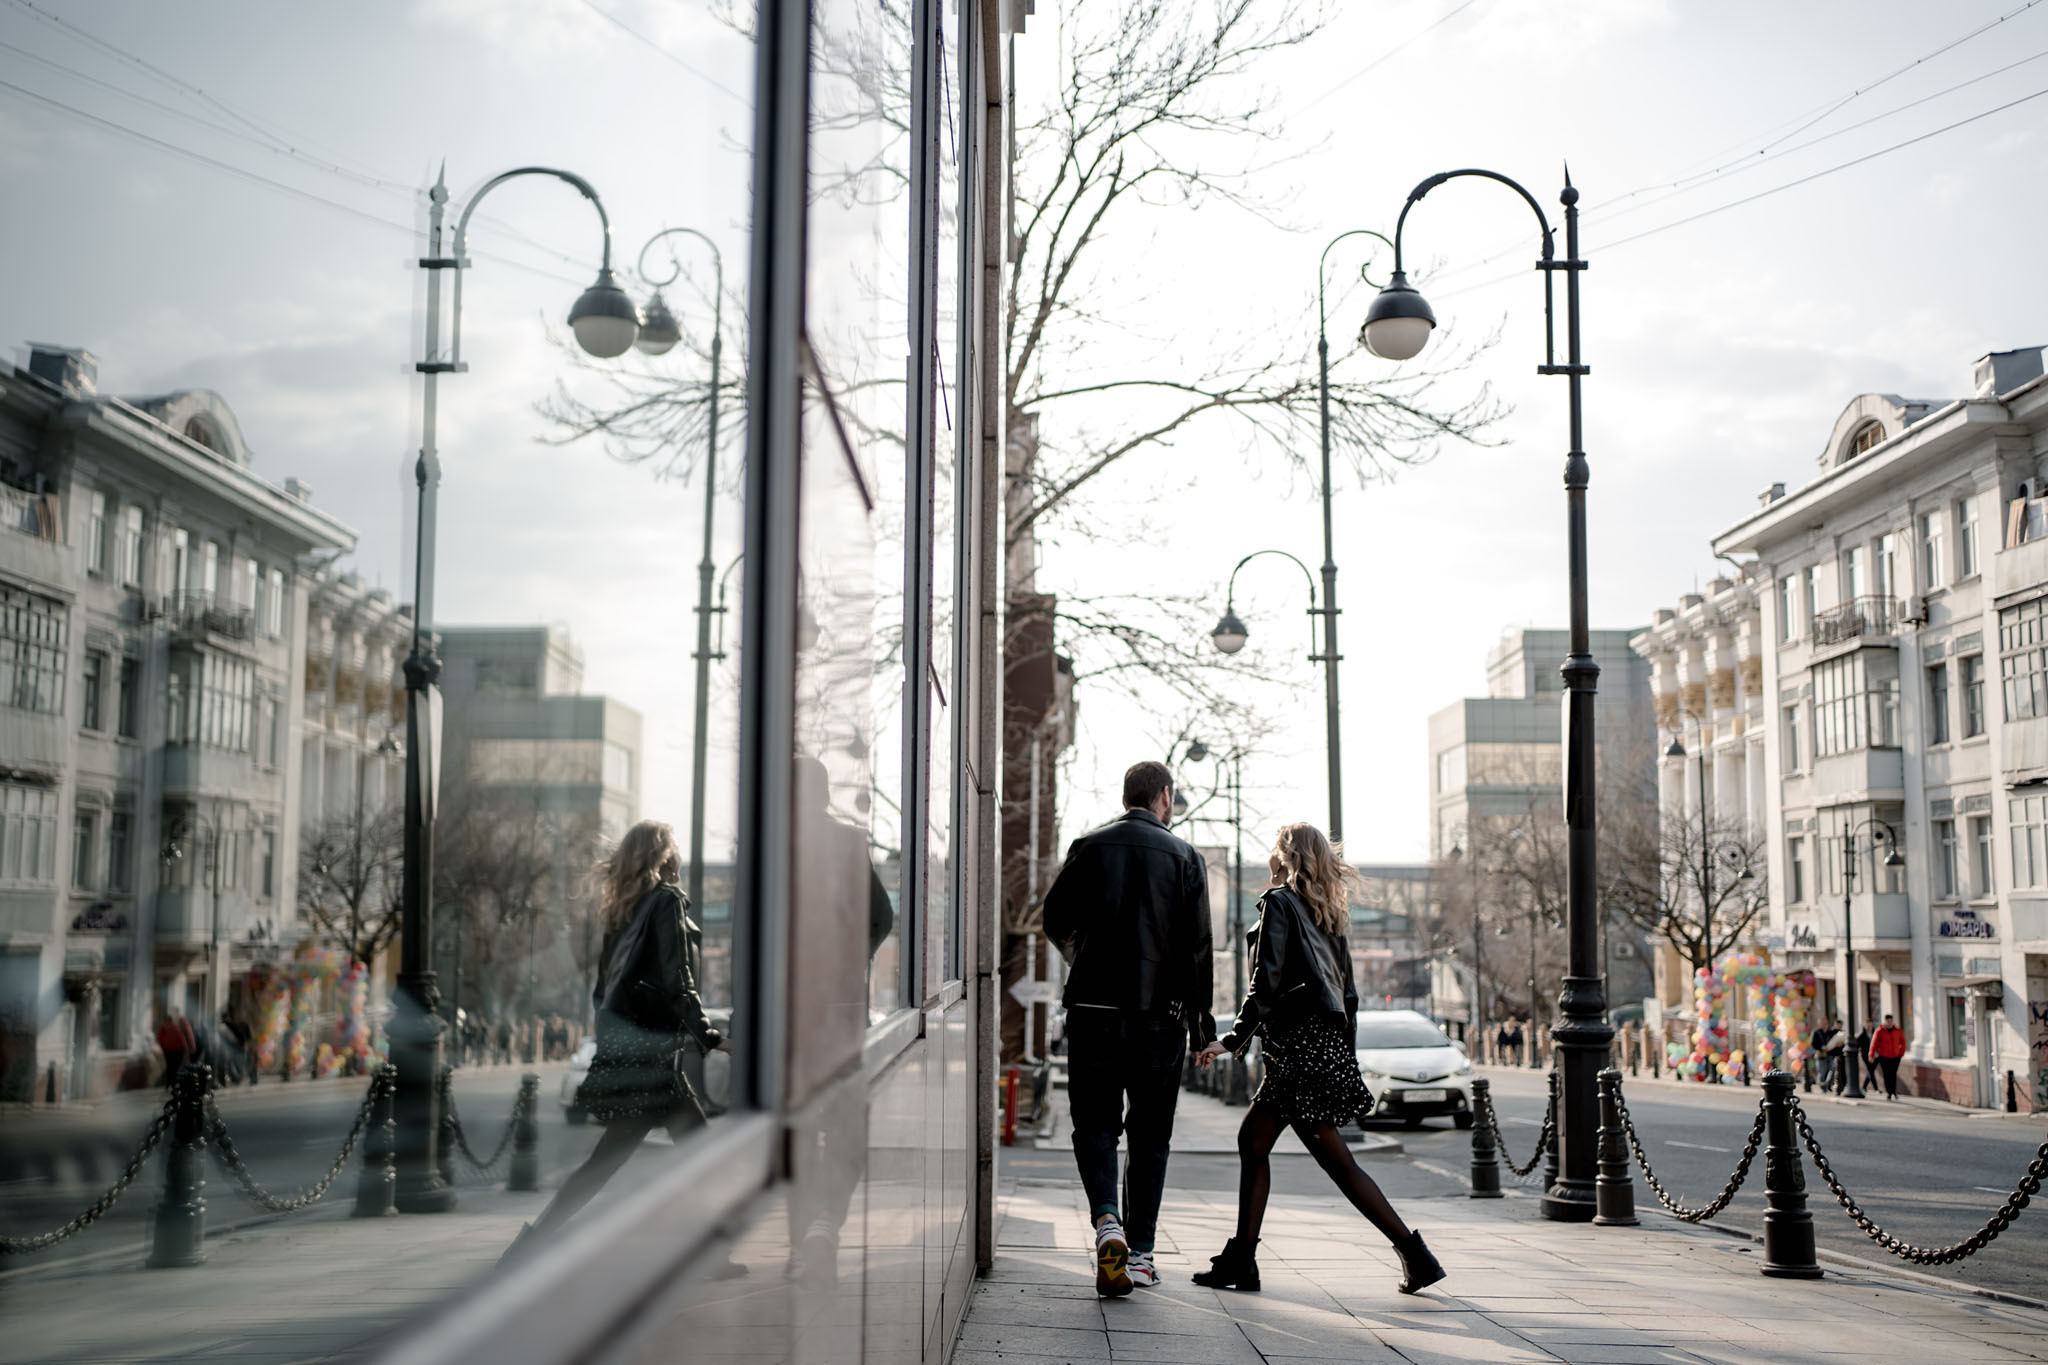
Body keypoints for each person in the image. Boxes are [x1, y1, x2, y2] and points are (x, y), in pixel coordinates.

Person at [1193, 823, 1445, 1298]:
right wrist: (1340, 1055)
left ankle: (1415, 1253)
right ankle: (1242, 1259)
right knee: (1257, 1141)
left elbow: (1264, 982)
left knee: (1333, 1161)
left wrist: (1232, 1039)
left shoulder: (1281, 903)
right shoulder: (1327, 912)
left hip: (1297, 1048)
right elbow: (1348, 994)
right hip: (1319, 1045)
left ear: (1285, 854)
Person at [507, 820, 726, 1257]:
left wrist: (613, 1039)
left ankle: (530, 1246)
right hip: (654, 1058)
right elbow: (678, 974)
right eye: (674, 848)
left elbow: (603, 988)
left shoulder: (623, 910)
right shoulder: (666, 902)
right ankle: (704, 1252)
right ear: (663, 854)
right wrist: (708, 1035)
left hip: (634, 1051)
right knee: (696, 1154)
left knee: (612, 1162)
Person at [1042, 760, 1214, 1298]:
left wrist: (1084, 959)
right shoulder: (1186, 857)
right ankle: (1139, 1254)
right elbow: (1198, 949)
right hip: (1159, 1018)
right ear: (1165, 796)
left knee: (1094, 1123)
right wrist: (1202, 1025)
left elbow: (1054, 918)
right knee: (1150, 1135)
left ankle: (1107, 1221)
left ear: (1127, 797)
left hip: (1093, 1010)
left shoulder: (1089, 846)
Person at [155, 1007, 197, 1085]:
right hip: (170, 1050)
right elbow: (160, 1038)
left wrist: (188, 1047)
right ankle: (171, 1082)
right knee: (172, 1066)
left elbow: (184, 1036)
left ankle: (172, 1082)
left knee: (174, 1066)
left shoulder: (180, 1023)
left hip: (176, 1050)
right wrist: (163, 1046)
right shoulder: (169, 1027)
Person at [1869, 1013, 1907, 1099]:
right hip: (1884, 1057)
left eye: (1891, 1021)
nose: (1889, 1023)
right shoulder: (1879, 1031)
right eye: (1888, 1021)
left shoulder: (1897, 1031)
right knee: (1886, 1074)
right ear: (1885, 1021)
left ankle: (1894, 1091)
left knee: (1893, 1074)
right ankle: (1889, 1092)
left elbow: (1903, 1042)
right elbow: (1874, 1043)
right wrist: (1871, 1055)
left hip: (1895, 1057)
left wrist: (1901, 1053)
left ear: (1892, 1021)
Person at [1809, 1016, 1840, 1092]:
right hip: (1821, 1055)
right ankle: (1823, 1087)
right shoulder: (1816, 1032)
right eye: (1822, 1023)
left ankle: (1828, 1084)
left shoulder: (1831, 1032)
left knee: (1832, 1069)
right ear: (1819, 1023)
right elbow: (1813, 1043)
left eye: (1825, 1023)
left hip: (1830, 1054)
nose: (1824, 1024)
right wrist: (1821, 1047)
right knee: (1822, 1071)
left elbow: (1837, 1039)